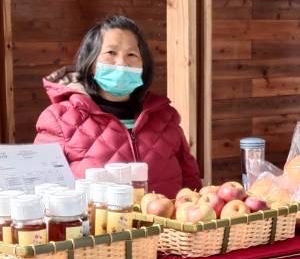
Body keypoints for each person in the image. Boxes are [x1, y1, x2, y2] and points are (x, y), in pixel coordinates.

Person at [35, 16, 201, 198]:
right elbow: (43, 192)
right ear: (92, 64)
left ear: (143, 66)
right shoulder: (59, 119)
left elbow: (192, 187)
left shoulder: (165, 117)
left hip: (165, 218)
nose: (121, 62)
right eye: (111, 53)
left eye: (132, 55)